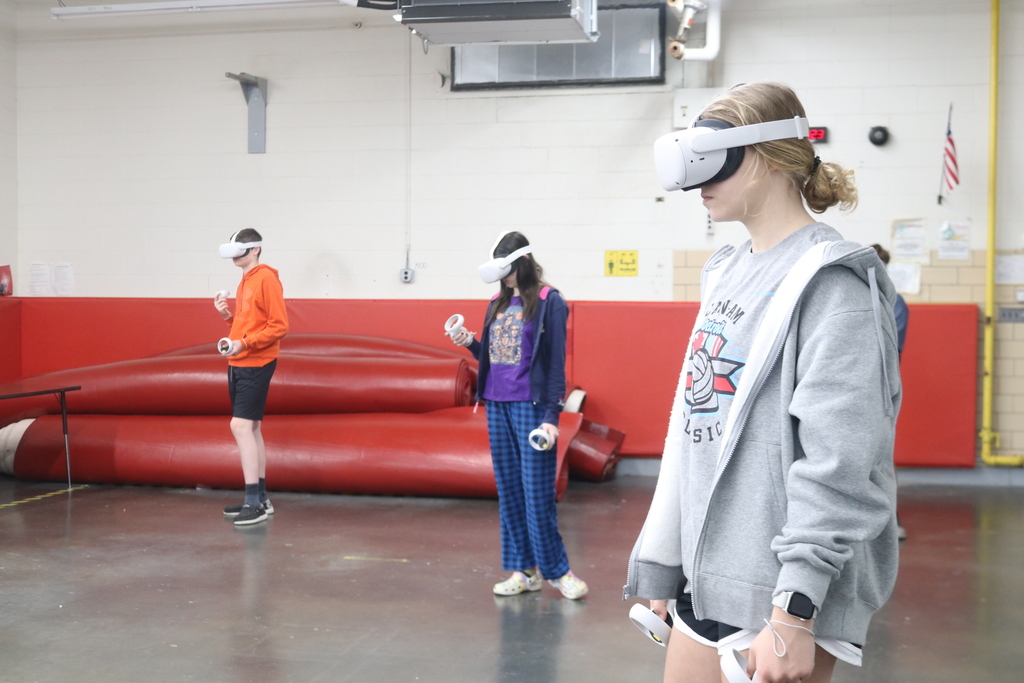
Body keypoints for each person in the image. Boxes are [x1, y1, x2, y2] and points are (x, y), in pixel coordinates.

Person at [624, 82, 902, 683]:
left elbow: (841, 463)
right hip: (706, 579)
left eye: (715, 158)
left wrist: (795, 613)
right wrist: (664, 564)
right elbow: (692, 428)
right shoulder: (726, 271)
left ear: (769, 156)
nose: (698, 181)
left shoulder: (834, 287)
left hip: (777, 594)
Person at [448, 231, 588, 600]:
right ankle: (524, 571)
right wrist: (471, 343)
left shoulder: (549, 301)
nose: (504, 278)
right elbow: (492, 357)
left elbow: (555, 364)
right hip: (496, 404)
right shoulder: (496, 301)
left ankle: (558, 572)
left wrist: (551, 418)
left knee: (537, 492)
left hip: (531, 407)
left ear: (523, 263)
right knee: (509, 492)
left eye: (507, 270)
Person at [214, 229, 289, 526]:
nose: (235, 256)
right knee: (253, 428)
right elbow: (250, 323)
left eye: (240, 250)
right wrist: (227, 318)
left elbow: (278, 326)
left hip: (255, 362)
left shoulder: (266, 278)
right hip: (239, 360)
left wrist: (244, 344)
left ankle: (252, 502)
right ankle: (260, 499)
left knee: (240, 426)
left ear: (255, 250)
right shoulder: (247, 278)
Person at [872, 243, 909, 542]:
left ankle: (892, 519)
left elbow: (889, 351)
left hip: (880, 386)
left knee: (882, 453)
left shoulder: (894, 303)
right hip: (855, 383)